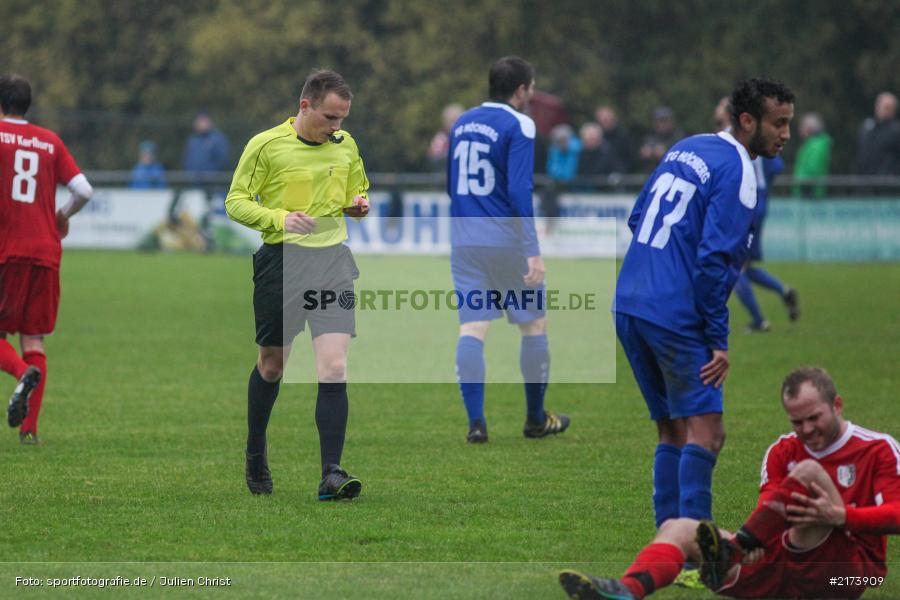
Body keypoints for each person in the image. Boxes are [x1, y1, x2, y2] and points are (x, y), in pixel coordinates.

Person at [614, 78, 795, 532]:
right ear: (748, 121)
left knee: (672, 430)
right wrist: (718, 338)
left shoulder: (687, 146)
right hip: (675, 314)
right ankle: (695, 551)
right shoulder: (739, 172)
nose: (786, 134)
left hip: (630, 302)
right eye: (779, 123)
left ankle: (667, 544)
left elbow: (638, 218)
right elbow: (715, 263)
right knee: (707, 433)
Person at [559, 366, 900, 599]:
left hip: (848, 576)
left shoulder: (878, 448)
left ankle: (729, 553)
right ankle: (626, 591)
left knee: (809, 475)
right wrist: (755, 548)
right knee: (680, 527)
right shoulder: (782, 451)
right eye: (798, 421)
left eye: (815, 418)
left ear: (836, 405)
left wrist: (840, 516)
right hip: (779, 568)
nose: (807, 429)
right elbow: (772, 513)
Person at [225, 69, 370, 500]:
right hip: (281, 263)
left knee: (334, 368)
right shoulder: (265, 145)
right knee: (272, 365)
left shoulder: (345, 146)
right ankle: (255, 449)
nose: (337, 127)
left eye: (342, 118)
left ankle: (331, 474)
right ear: (305, 106)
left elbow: (358, 187)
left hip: (333, 261)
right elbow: (235, 201)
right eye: (329, 117)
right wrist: (280, 219)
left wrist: (359, 204)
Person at [447, 56, 569, 443]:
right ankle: (535, 419)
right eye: (531, 87)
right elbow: (519, 190)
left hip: (465, 239)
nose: (532, 94)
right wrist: (532, 249)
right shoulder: (520, 123)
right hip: (505, 240)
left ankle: (476, 423)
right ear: (521, 90)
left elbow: (450, 183)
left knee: (472, 328)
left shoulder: (461, 121)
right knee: (533, 325)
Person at [0, 74, 94, 443]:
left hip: (5, 249)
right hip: (45, 250)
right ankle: (29, 430)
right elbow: (83, 190)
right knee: (34, 339)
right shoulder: (48, 140)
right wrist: (62, 216)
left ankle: (22, 374)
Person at [712, 96, 800, 333]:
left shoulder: (733, 137)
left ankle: (759, 320)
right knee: (747, 267)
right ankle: (783, 291)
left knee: (736, 267)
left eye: (720, 107)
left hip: (746, 200)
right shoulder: (753, 136)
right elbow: (777, 166)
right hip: (758, 199)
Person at [856, 91, 900, 176]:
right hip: (865, 182)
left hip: (886, 184)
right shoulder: (867, 127)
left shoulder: (896, 131)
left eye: (887, 107)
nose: (882, 109)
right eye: (880, 105)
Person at [793, 112, 833, 198]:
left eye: (802, 126)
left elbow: (812, 170)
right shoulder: (812, 144)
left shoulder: (816, 146)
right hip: (809, 192)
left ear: (809, 129)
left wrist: (805, 189)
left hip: (810, 195)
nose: (799, 129)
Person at [638, 106, 683, 172]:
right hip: (651, 174)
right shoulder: (650, 136)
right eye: (659, 121)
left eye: (664, 121)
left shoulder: (679, 136)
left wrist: (666, 152)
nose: (661, 124)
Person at [426, 103, 465, 171]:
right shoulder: (441, 139)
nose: (455, 124)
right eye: (452, 121)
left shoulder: (466, 138)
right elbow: (433, 158)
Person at [595, 106, 633, 173]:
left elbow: (629, 158)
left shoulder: (623, 136)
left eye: (606, 119)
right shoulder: (596, 137)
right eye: (602, 120)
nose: (605, 122)